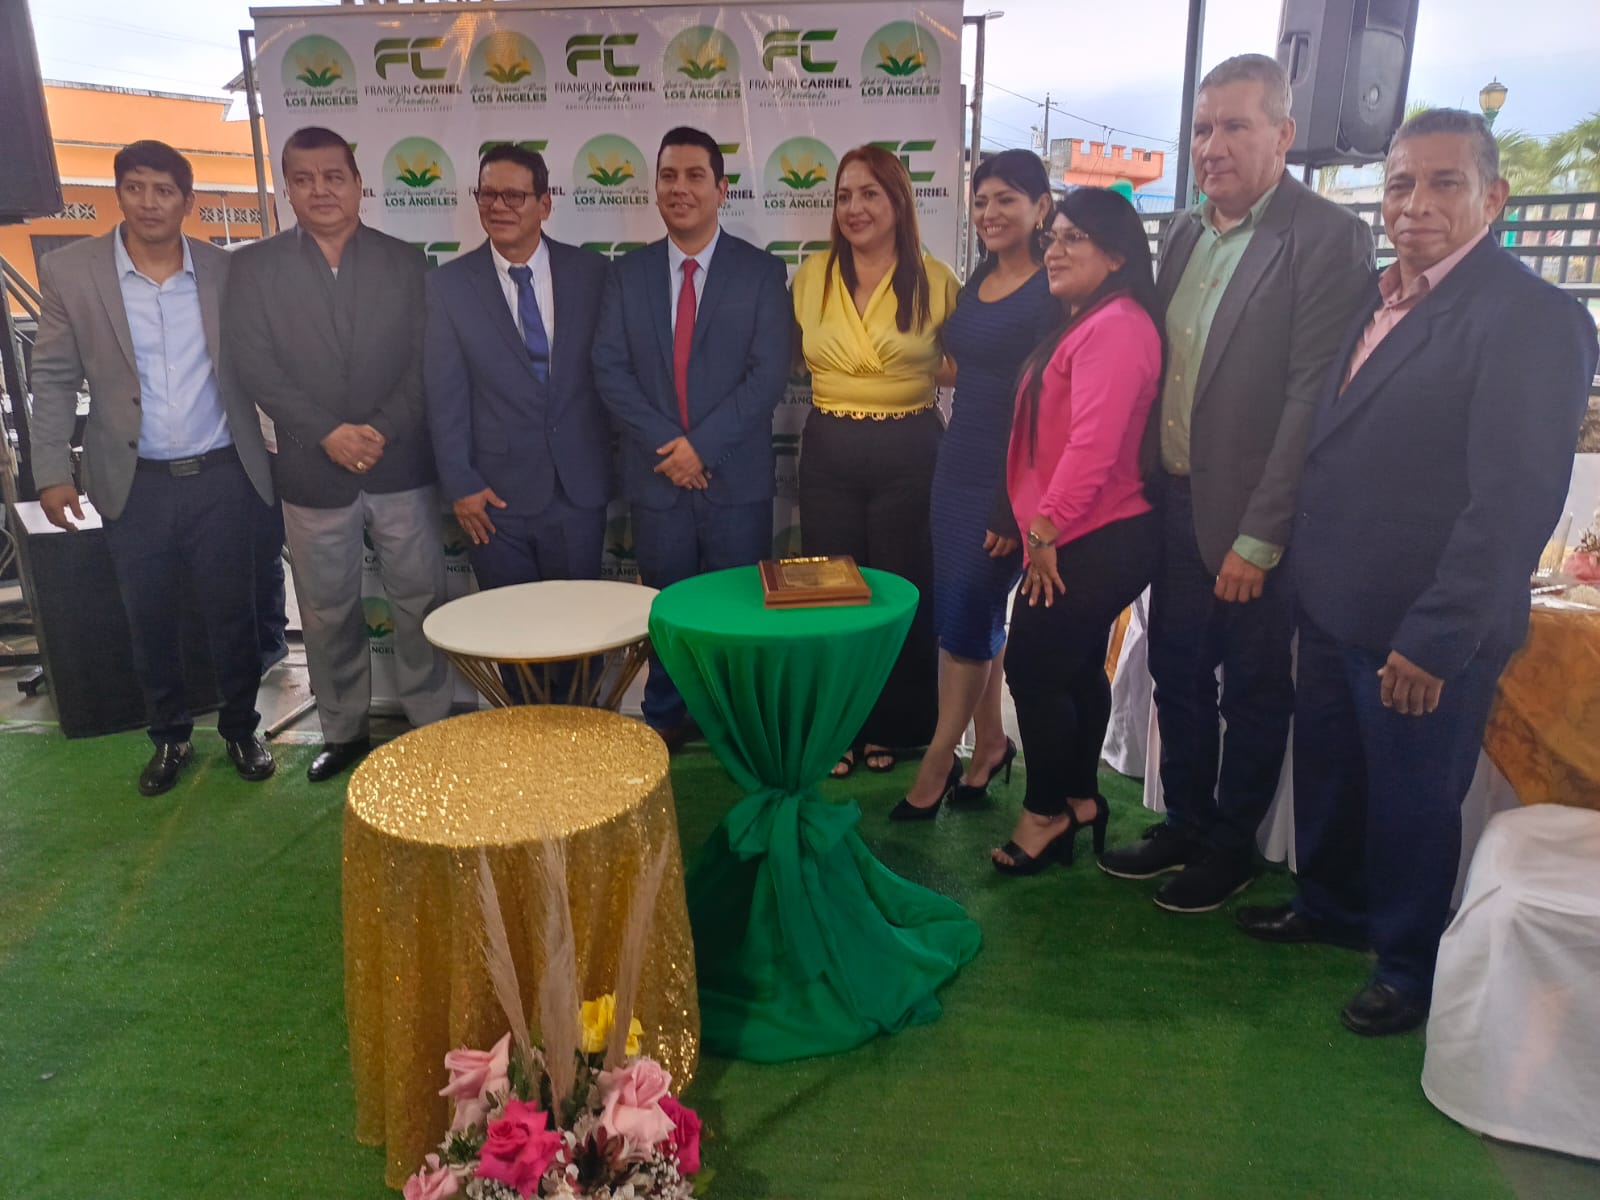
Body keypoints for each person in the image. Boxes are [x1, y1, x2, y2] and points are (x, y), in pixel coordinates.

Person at [1236, 110, 1596, 1036]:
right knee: (1330, 774)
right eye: (1400, 184)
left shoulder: (1532, 317)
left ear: (1494, 197)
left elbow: (1513, 501)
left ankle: (1405, 964)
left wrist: (1436, 638)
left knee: (1411, 800)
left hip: (1425, 627)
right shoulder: (1372, 295)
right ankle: (1330, 907)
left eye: (1444, 183)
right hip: (1331, 602)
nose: (1416, 204)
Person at [1097, 54, 1375, 912]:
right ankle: (1185, 820)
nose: (1212, 146)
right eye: (1202, 128)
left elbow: (1310, 400)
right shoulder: (1184, 230)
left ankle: (1232, 844)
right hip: (1174, 501)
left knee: (1252, 688)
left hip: (1258, 521)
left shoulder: (1326, 237)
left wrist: (1260, 535)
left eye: (1235, 126)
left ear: (1283, 134)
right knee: (1176, 671)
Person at [29, 139, 276, 796]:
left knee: (235, 615)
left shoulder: (225, 270)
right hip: (133, 484)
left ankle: (241, 728)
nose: (149, 202)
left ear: (187, 201)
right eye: (135, 187)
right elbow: (51, 377)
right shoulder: (71, 272)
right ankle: (169, 736)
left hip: (223, 475)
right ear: (119, 193)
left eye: (164, 190)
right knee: (149, 618)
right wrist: (51, 471)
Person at [224, 125, 451, 783]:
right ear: (287, 189)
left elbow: (424, 361)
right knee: (326, 614)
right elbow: (255, 365)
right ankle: (344, 731)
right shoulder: (254, 267)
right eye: (303, 179)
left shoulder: (406, 261)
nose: (320, 190)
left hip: (399, 465)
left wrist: (378, 429)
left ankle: (431, 726)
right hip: (311, 471)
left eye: (333, 177)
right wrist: (328, 433)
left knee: (421, 603)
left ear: (358, 184)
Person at [592, 126, 791, 749]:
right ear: (656, 188)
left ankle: (734, 719)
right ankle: (666, 714)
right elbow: (610, 370)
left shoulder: (761, 273)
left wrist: (701, 447)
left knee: (735, 612)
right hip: (658, 482)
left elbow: (768, 375)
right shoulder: (627, 276)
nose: (680, 188)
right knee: (668, 609)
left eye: (695, 176)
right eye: (669, 176)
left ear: (721, 189)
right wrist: (672, 450)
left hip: (736, 480)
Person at [984, 191, 1165, 871]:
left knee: (1032, 669)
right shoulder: (1090, 320)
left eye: (1073, 239)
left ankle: (1045, 813)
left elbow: (1093, 446)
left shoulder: (1116, 326)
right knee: (1075, 665)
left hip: (1092, 534)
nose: (1054, 251)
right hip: (1083, 530)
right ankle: (1081, 799)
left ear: (1116, 255)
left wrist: (1043, 530)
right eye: (1052, 237)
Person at [894, 149, 1056, 819]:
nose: (990, 212)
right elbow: (968, 366)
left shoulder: (1052, 287)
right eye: (982, 199)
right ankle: (989, 742)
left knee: (968, 614)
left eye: (1006, 199)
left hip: (1010, 475)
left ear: (1042, 207)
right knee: (969, 613)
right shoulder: (980, 276)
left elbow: (1049, 404)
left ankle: (939, 761)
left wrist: (1013, 503)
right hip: (957, 461)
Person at [792, 144, 960, 778]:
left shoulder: (935, 279)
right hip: (830, 449)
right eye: (844, 196)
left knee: (900, 591)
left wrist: (907, 370)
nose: (854, 208)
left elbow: (963, 364)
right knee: (831, 595)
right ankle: (838, 727)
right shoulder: (811, 276)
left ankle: (897, 725)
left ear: (898, 202)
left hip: (910, 449)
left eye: (869, 194)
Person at [424, 144, 610, 602]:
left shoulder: (592, 273)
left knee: (578, 623)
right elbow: (444, 396)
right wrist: (462, 484)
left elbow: (613, 374)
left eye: (514, 196)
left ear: (544, 204)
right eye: (487, 195)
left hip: (577, 488)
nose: (498, 207)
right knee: (509, 627)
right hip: (493, 498)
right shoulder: (449, 286)